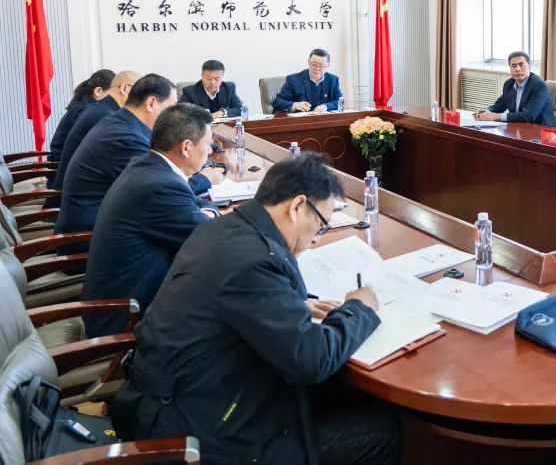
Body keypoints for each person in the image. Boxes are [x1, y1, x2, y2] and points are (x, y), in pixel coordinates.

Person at [110, 153, 401, 465]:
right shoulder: (254, 263)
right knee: (381, 430)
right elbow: (310, 360)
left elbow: (232, 302)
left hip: (181, 395)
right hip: (195, 427)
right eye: (320, 225)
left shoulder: (223, 229)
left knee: (338, 395)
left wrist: (288, 304)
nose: (316, 240)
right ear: (297, 206)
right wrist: (359, 308)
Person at [81, 104, 221, 338]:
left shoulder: (147, 167)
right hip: (126, 319)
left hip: (123, 300)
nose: (210, 150)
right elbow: (211, 236)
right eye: (208, 143)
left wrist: (207, 211)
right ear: (186, 147)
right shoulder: (159, 186)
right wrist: (211, 214)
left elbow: (196, 204)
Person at [54, 74, 219, 243]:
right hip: (86, 237)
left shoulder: (120, 123)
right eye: (171, 108)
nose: (175, 116)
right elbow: (162, 189)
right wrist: (204, 179)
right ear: (151, 103)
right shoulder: (125, 138)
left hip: (104, 225)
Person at [53, 69, 141, 189]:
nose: (143, 99)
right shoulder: (105, 116)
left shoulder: (102, 109)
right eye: (141, 92)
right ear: (125, 88)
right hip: (78, 192)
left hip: (75, 184)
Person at [47, 69, 115, 166]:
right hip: (64, 167)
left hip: (64, 164)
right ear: (98, 91)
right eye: (113, 95)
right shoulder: (89, 111)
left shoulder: (84, 106)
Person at [474, 51, 555, 126]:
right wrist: (486, 112)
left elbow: (529, 116)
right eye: (514, 66)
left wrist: (496, 116)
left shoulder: (538, 85)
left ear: (529, 66)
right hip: (518, 128)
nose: (517, 69)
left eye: (521, 65)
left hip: (540, 130)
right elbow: (498, 106)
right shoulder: (509, 84)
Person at [273, 49, 343, 114]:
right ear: (309, 62)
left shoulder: (333, 80)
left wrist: (327, 106)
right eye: (314, 64)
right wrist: (295, 105)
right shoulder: (294, 80)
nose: (317, 68)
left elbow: (340, 101)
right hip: (301, 121)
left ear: (327, 65)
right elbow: (277, 102)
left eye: (321, 66)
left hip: (324, 120)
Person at [180, 59, 244, 118]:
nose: (213, 82)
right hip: (200, 126)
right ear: (202, 76)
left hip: (223, 125)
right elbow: (180, 113)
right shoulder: (189, 92)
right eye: (209, 79)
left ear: (222, 76)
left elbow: (239, 109)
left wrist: (222, 112)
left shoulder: (229, 88)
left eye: (217, 79)